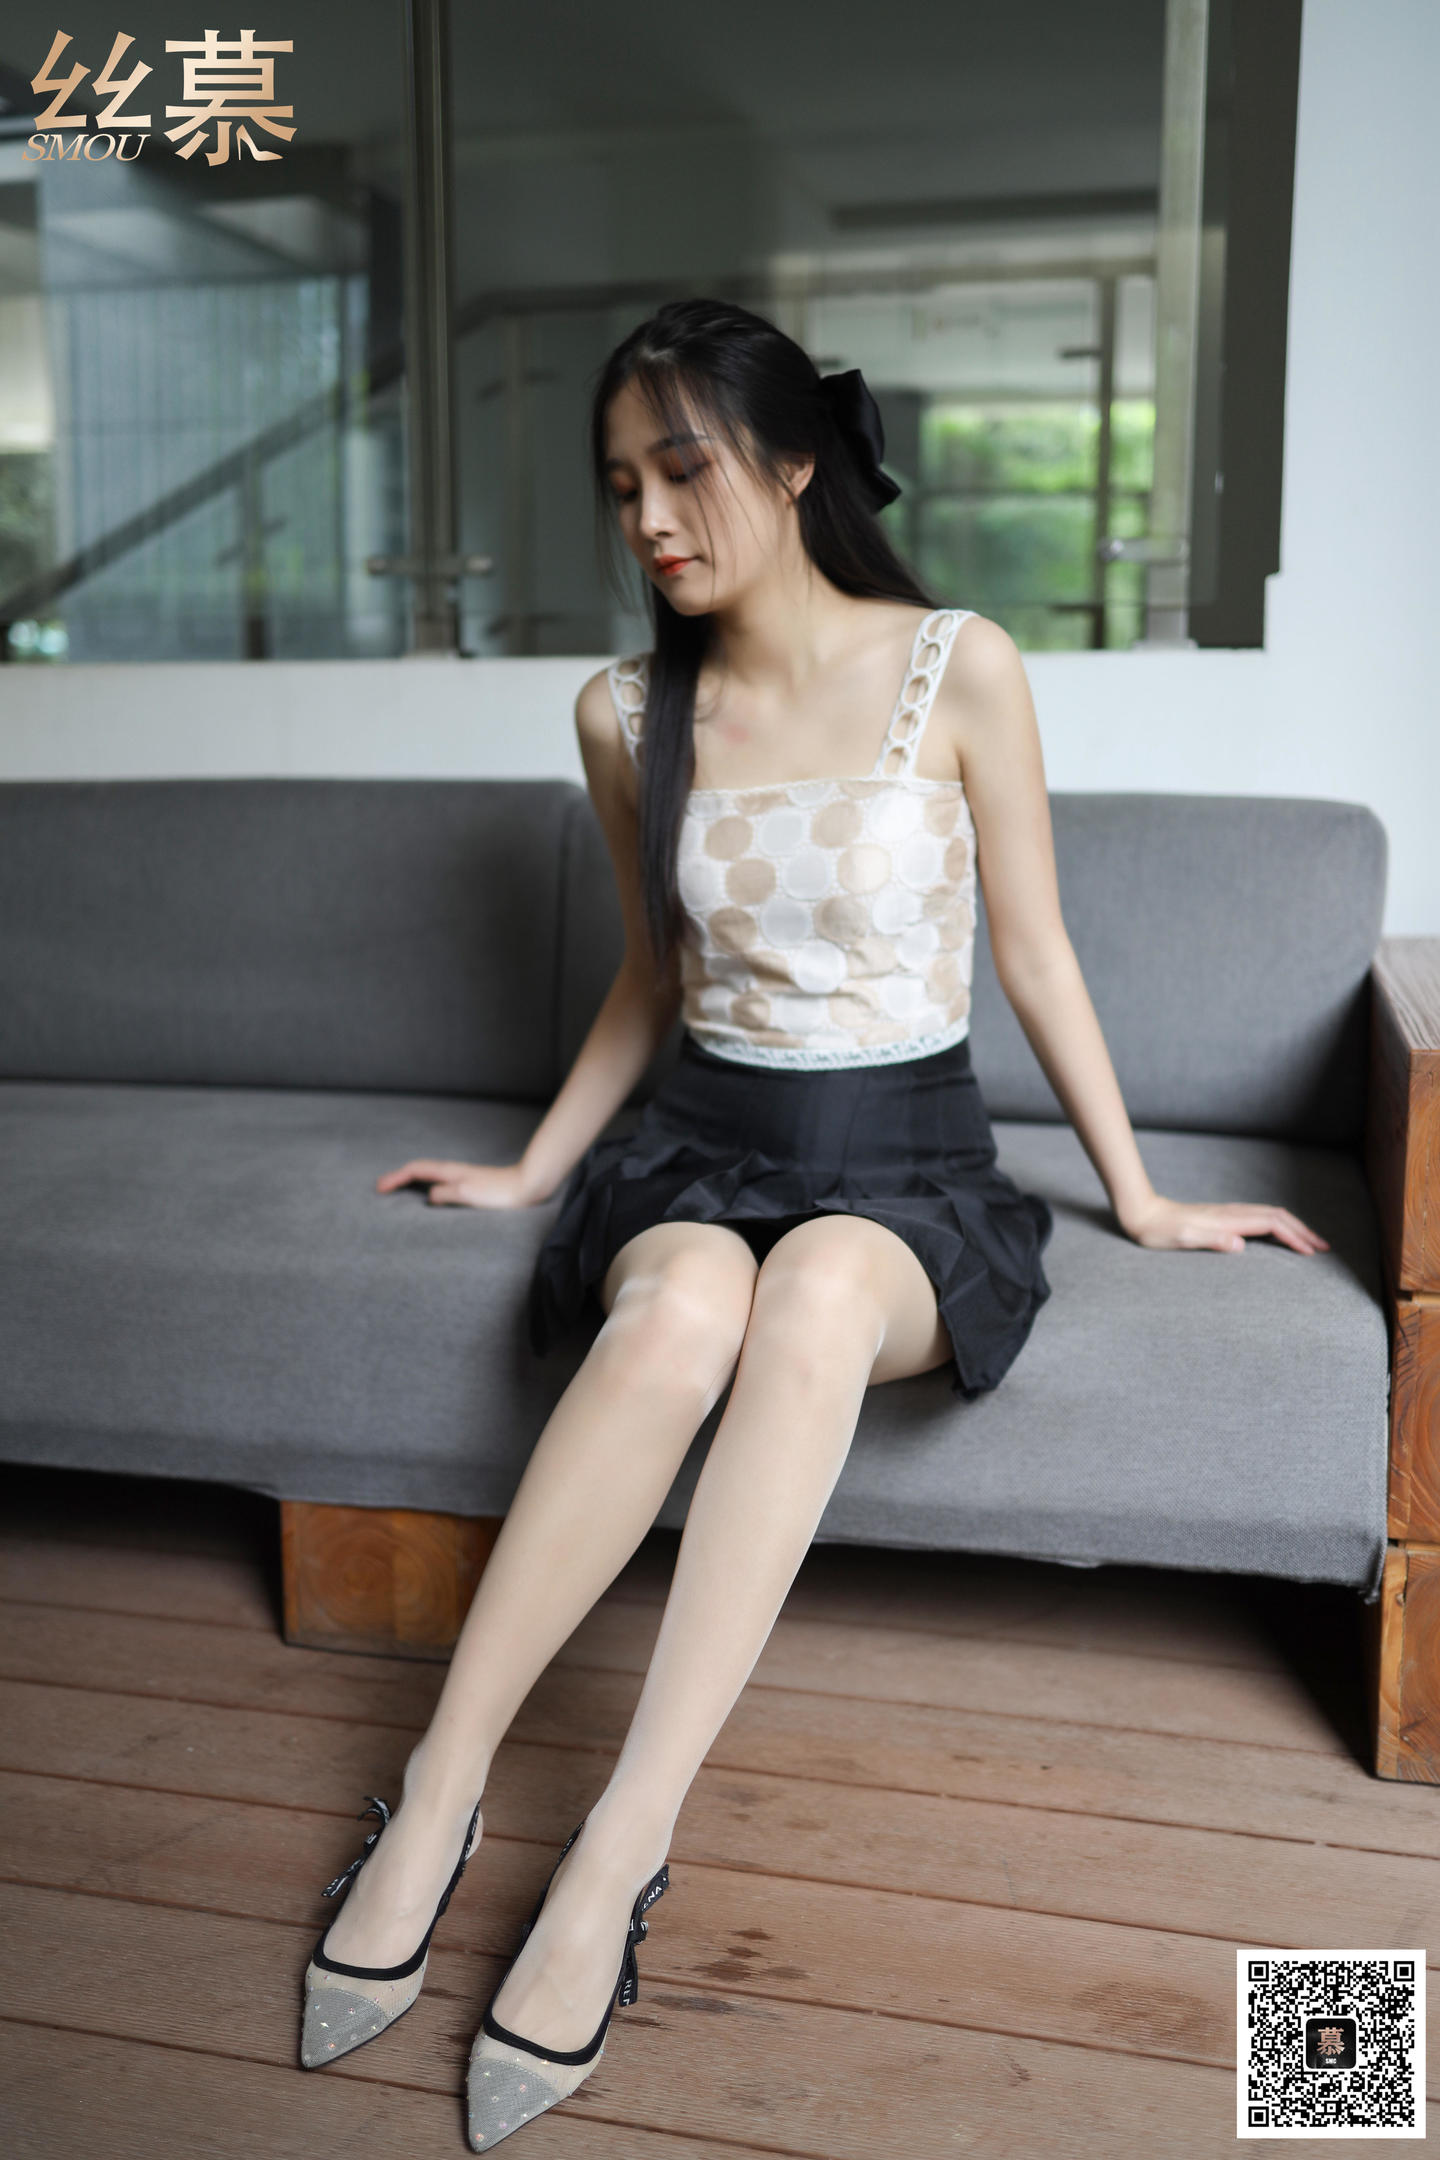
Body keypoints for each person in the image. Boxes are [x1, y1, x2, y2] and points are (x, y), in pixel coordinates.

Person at [296, 297, 1330, 2149]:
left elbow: (1036, 954)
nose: (646, 517)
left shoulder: (959, 665)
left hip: (911, 1166)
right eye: (620, 484)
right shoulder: (624, 711)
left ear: (791, 465)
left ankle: (621, 1845)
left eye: (681, 470)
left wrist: (1145, 1194)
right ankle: (439, 1787)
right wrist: (533, 1170)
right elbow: (650, 974)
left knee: (823, 1292)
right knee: (681, 1312)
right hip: (701, 1146)